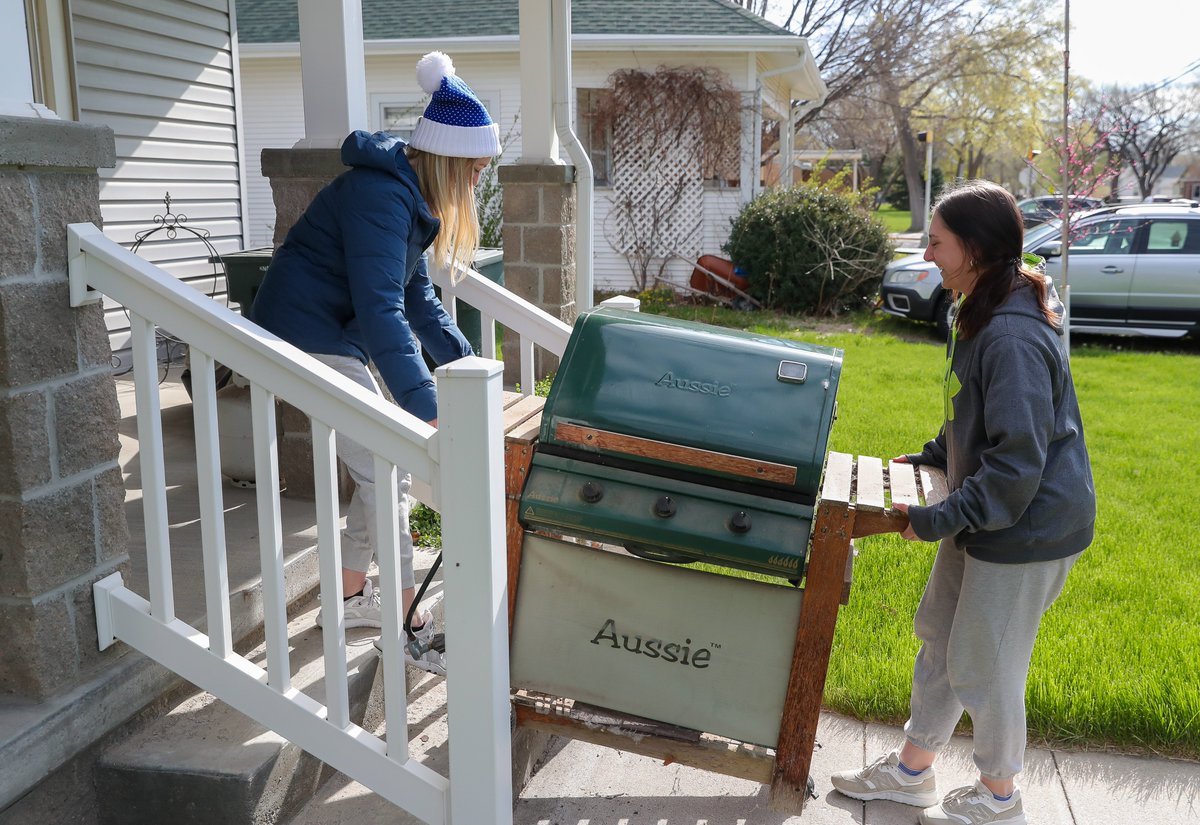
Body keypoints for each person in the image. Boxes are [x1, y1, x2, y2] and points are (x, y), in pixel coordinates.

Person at [830, 180, 1096, 825]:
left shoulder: (1011, 335)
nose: (928, 254)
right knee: (941, 638)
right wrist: (934, 454)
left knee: (987, 665)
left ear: (974, 248)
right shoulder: (981, 307)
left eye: (938, 242)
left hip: (1026, 526)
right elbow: (977, 418)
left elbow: (1017, 460)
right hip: (992, 510)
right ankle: (910, 774)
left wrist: (939, 517)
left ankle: (999, 798)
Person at [249, 51, 500, 676]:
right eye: (471, 171)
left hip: (331, 336)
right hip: (303, 334)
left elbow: (419, 301)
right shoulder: (381, 197)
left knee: (380, 467)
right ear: (445, 159)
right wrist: (430, 409)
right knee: (389, 468)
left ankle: (353, 593)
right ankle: (407, 618)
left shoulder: (405, 200)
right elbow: (382, 308)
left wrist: (467, 374)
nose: (474, 184)